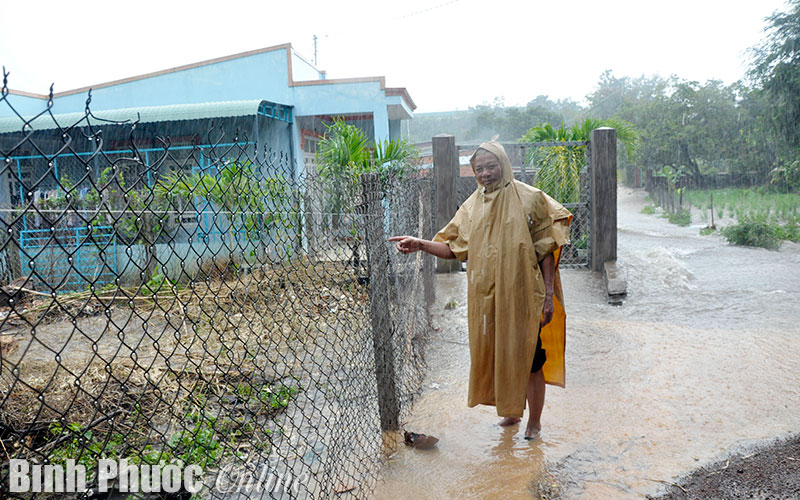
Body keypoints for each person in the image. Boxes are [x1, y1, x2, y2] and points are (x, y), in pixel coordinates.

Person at [389, 141, 572, 439]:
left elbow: (546, 249)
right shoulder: (472, 207)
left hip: (525, 295)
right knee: (499, 352)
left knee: (530, 356)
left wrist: (548, 294)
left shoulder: (530, 198)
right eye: (479, 169)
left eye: (491, 166)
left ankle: (534, 421)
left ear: (504, 164)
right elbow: (453, 248)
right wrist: (421, 244)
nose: (485, 173)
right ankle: (512, 412)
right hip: (486, 299)